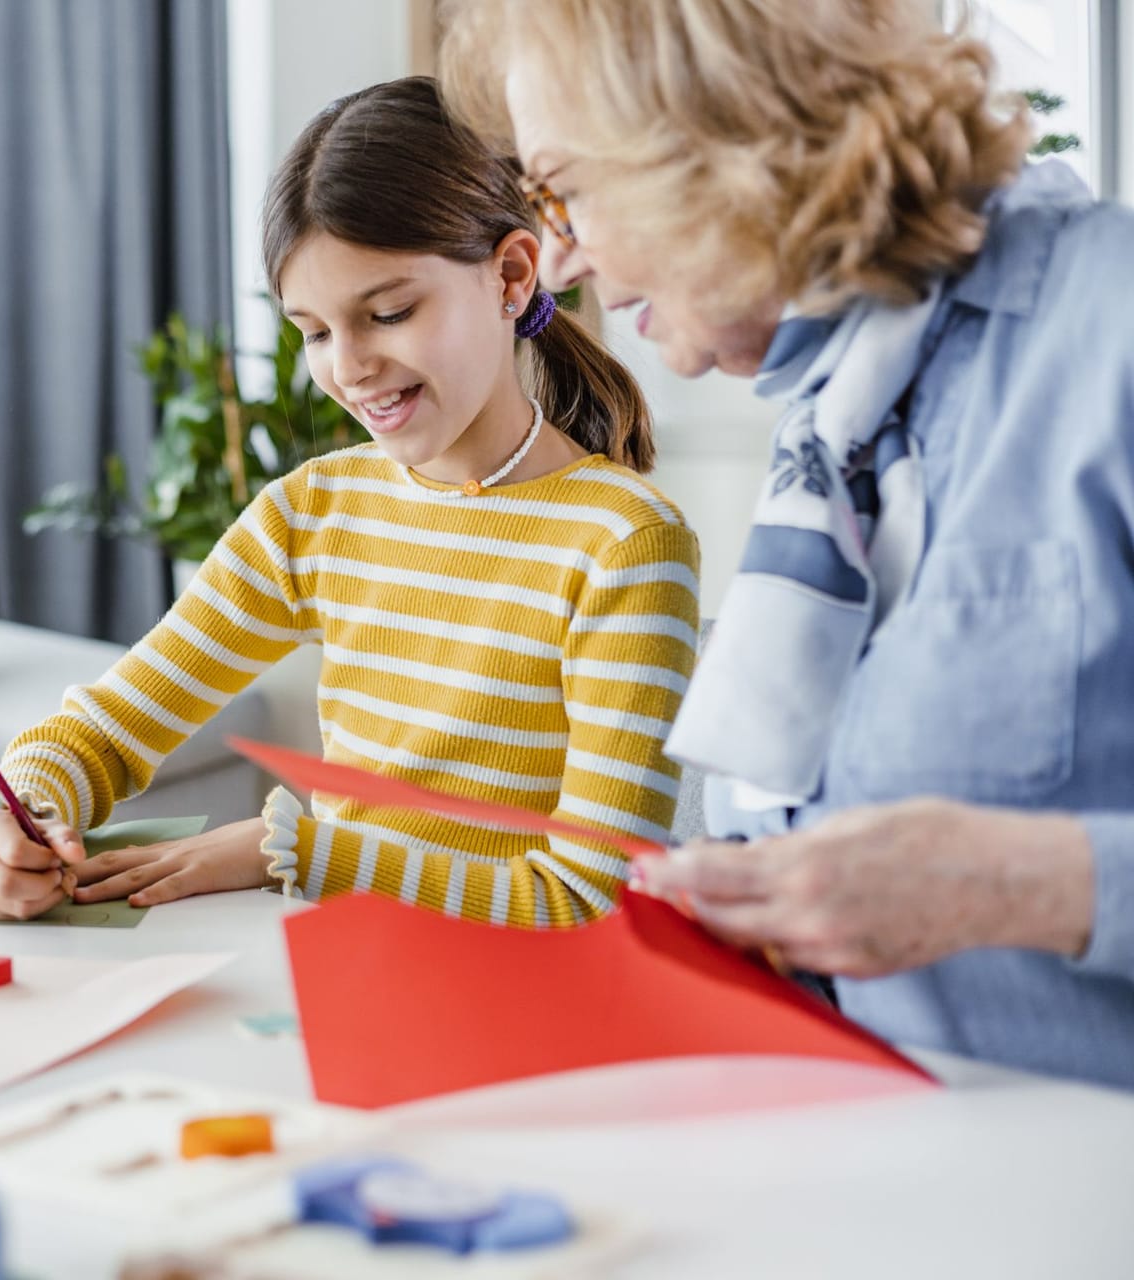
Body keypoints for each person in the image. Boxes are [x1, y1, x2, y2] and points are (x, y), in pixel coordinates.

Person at [443, 0, 1134, 1087]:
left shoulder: (1113, 329)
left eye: (565, 188)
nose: (562, 261)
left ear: (720, 131)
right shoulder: (840, 417)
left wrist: (1014, 881)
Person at [0, 77, 700, 928]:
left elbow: (586, 902)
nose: (348, 367)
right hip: (350, 972)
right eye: (313, 331)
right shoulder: (313, 515)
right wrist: (24, 812)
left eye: (387, 312)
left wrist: (293, 851)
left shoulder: (625, 544)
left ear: (512, 277)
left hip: (521, 1015)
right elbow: (110, 727)